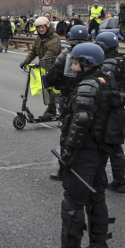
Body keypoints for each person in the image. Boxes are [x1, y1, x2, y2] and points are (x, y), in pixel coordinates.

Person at [44, 43, 123, 248]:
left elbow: (80, 122)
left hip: (84, 152)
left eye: (77, 61)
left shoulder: (87, 86)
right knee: (97, 197)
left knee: (73, 202)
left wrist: (68, 153)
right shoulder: (105, 81)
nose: (74, 65)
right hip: (99, 151)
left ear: (87, 64)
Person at [47, 25, 90, 181]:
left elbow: (52, 77)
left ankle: (64, 170)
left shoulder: (65, 55)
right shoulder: (95, 56)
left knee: (67, 135)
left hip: (70, 100)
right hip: (91, 101)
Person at [96, 32, 125, 193]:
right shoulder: (123, 61)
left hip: (108, 109)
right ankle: (119, 181)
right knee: (116, 146)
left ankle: (100, 180)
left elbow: (103, 88)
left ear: (103, 47)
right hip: (120, 107)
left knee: (101, 145)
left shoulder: (108, 64)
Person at [19, 17, 62, 118]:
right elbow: (33, 51)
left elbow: (51, 52)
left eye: (42, 27)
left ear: (47, 26)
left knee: (54, 89)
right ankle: (51, 110)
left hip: (54, 66)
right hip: (45, 67)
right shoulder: (39, 38)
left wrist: (41, 62)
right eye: (38, 28)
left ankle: (57, 109)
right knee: (47, 88)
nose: (40, 30)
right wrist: (25, 61)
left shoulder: (54, 38)